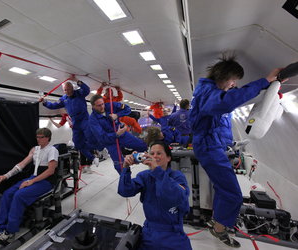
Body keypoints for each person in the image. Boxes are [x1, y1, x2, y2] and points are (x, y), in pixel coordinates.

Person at [189, 54, 286, 248]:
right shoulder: (209, 93)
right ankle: (219, 229)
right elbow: (226, 101)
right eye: (233, 81)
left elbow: (226, 104)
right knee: (232, 192)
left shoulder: (207, 91)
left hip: (210, 144)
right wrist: (264, 81)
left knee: (222, 188)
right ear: (224, 77)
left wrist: (265, 87)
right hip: (208, 146)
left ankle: (217, 221)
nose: (233, 85)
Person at [0, 128, 59, 248]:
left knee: (19, 196)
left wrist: (31, 181)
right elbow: (21, 165)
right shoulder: (35, 149)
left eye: (41, 137)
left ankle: (10, 232)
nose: (38, 139)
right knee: (7, 194)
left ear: (47, 138)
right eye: (37, 137)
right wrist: (5, 176)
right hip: (34, 177)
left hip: (46, 181)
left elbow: (50, 171)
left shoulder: (52, 150)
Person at [118, 141, 192, 250]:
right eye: (152, 154)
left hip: (174, 234)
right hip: (150, 233)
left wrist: (157, 171)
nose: (155, 156)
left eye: (159, 153)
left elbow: (176, 197)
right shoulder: (145, 176)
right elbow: (125, 191)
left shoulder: (177, 177)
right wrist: (125, 168)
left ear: (168, 158)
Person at [40, 77, 98, 168]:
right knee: (77, 143)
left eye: (68, 89)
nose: (67, 91)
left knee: (90, 136)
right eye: (65, 90)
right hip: (75, 122)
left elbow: (87, 90)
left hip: (84, 119)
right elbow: (53, 105)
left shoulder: (79, 93)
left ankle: (99, 147)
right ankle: (92, 158)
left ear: (72, 88)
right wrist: (45, 102)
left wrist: (77, 81)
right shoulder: (64, 99)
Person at [87, 95, 147, 174]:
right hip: (111, 143)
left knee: (143, 146)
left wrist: (117, 115)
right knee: (120, 167)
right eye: (99, 105)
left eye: (102, 104)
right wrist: (116, 134)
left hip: (123, 135)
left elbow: (127, 109)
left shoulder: (111, 106)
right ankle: (126, 182)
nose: (102, 107)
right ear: (93, 106)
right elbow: (102, 138)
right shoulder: (93, 120)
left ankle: (133, 157)